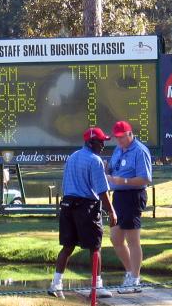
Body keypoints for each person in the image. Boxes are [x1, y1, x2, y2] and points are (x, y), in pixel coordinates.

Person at [48, 127, 117, 299]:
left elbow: (66, 185)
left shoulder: (72, 157)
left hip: (67, 205)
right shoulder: (95, 160)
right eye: (100, 141)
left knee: (68, 246)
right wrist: (112, 211)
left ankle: (55, 284)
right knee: (95, 247)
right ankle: (97, 286)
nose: (103, 145)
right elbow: (102, 191)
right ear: (91, 142)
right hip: (86, 206)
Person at [106, 121, 152, 293]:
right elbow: (112, 168)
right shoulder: (118, 149)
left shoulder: (140, 151)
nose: (119, 141)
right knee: (115, 238)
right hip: (118, 196)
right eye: (116, 138)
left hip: (134, 195)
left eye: (121, 137)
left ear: (130, 134)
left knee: (133, 239)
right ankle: (130, 272)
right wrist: (107, 172)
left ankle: (135, 279)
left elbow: (145, 179)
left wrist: (123, 181)